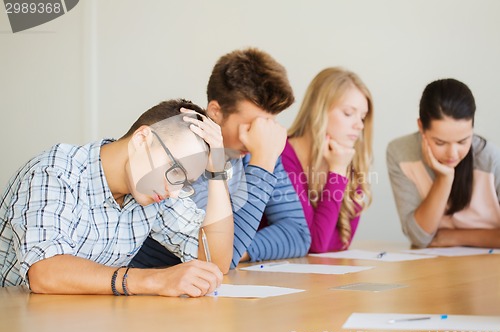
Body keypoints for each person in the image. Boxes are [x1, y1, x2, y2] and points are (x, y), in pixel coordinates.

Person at [0, 98, 234, 297]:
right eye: (175, 171)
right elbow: (44, 273)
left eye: (184, 183)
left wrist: (217, 172)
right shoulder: (55, 171)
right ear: (142, 139)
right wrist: (154, 281)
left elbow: (214, 263)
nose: (173, 191)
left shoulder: (157, 191)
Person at [131, 48, 311, 269]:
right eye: (251, 125)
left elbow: (299, 235)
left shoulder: (256, 150)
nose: (260, 135)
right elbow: (217, 256)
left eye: (267, 124)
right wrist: (263, 161)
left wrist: (239, 250)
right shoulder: (185, 156)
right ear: (215, 111)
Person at [387, 78, 500, 248]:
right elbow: (419, 237)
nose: (452, 154)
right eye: (440, 142)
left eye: (463, 141)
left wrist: (455, 238)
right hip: (434, 265)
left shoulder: (490, 158)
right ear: (421, 126)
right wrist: (444, 178)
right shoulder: (401, 153)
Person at [283, 67, 373, 253]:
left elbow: (341, 242)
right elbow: (316, 244)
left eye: (363, 117)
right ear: (319, 110)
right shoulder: (283, 155)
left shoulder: (348, 157)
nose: (359, 125)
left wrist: (339, 167)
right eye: (348, 113)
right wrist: (338, 172)